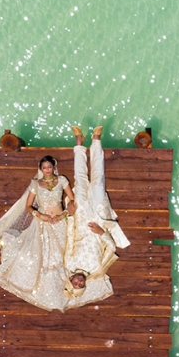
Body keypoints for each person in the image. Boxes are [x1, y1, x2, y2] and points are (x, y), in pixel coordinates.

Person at [0, 153, 79, 311]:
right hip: (42, 222)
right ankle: (47, 285)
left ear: (53, 167)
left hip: (60, 221)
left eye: (49, 167)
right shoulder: (35, 184)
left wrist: (62, 215)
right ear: (40, 169)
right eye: (44, 168)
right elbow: (29, 206)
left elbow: (72, 200)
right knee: (44, 253)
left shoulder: (62, 180)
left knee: (60, 252)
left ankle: (62, 282)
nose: (47, 170)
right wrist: (40, 215)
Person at [62, 126, 129, 308]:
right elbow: (112, 246)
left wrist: (69, 214)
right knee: (98, 180)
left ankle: (78, 143)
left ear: (70, 278)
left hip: (81, 216)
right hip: (98, 218)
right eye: (80, 285)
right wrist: (101, 232)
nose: (79, 282)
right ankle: (97, 140)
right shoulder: (97, 269)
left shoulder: (68, 263)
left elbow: (69, 236)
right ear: (84, 284)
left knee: (80, 179)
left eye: (75, 283)